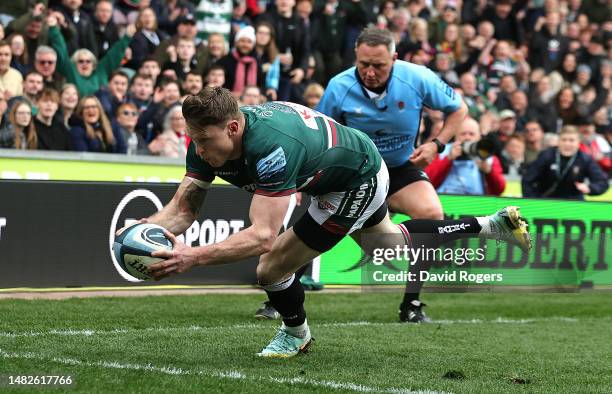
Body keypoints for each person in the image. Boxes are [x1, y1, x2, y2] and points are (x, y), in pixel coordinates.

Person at [123, 87, 530, 358]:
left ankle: (296, 335)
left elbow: (264, 236)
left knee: (272, 267)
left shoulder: (271, 148)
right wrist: (150, 231)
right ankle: (490, 225)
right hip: (337, 170)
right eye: (193, 139)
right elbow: (182, 210)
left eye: (204, 141)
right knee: (391, 247)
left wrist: (190, 257)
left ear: (232, 128)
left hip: (356, 178)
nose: (198, 149)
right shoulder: (209, 139)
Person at [316, 26, 468, 322]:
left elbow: (459, 109)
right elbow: (321, 133)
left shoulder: (418, 77)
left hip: (399, 168)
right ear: (355, 57)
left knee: (432, 215)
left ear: (395, 58)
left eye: (379, 65)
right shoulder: (338, 86)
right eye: (364, 64)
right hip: (356, 174)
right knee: (322, 226)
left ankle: (411, 303)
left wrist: (437, 144)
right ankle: (280, 294)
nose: (370, 72)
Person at [522, 126, 609, 199]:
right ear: (558, 141)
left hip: (574, 202)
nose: (567, 144)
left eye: (571, 140)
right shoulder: (547, 155)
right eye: (564, 140)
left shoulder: (585, 159)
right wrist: (533, 199)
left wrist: (590, 188)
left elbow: (602, 182)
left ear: (578, 142)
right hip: (547, 201)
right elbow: (528, 179)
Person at [425, 117, 506, 195]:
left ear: (479, 137)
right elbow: (427, 182)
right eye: (463, 134)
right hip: (445, 202)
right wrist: (448, 159)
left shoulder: (488, 158)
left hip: (476, 204)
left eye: (472, 134)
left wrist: (489, 171)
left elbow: (500, 190)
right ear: (455, 136)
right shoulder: (442, 152)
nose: (467, 137)